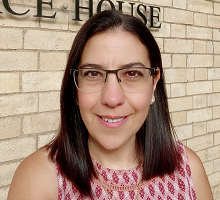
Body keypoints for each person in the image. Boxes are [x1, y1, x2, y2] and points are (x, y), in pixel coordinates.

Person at [8, 10, 213, 200]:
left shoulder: (188, 169)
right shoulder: (40, 179)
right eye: (93, 73)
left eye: (132, 73)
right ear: (75, 88)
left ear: (154, 84)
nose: (112, 98)